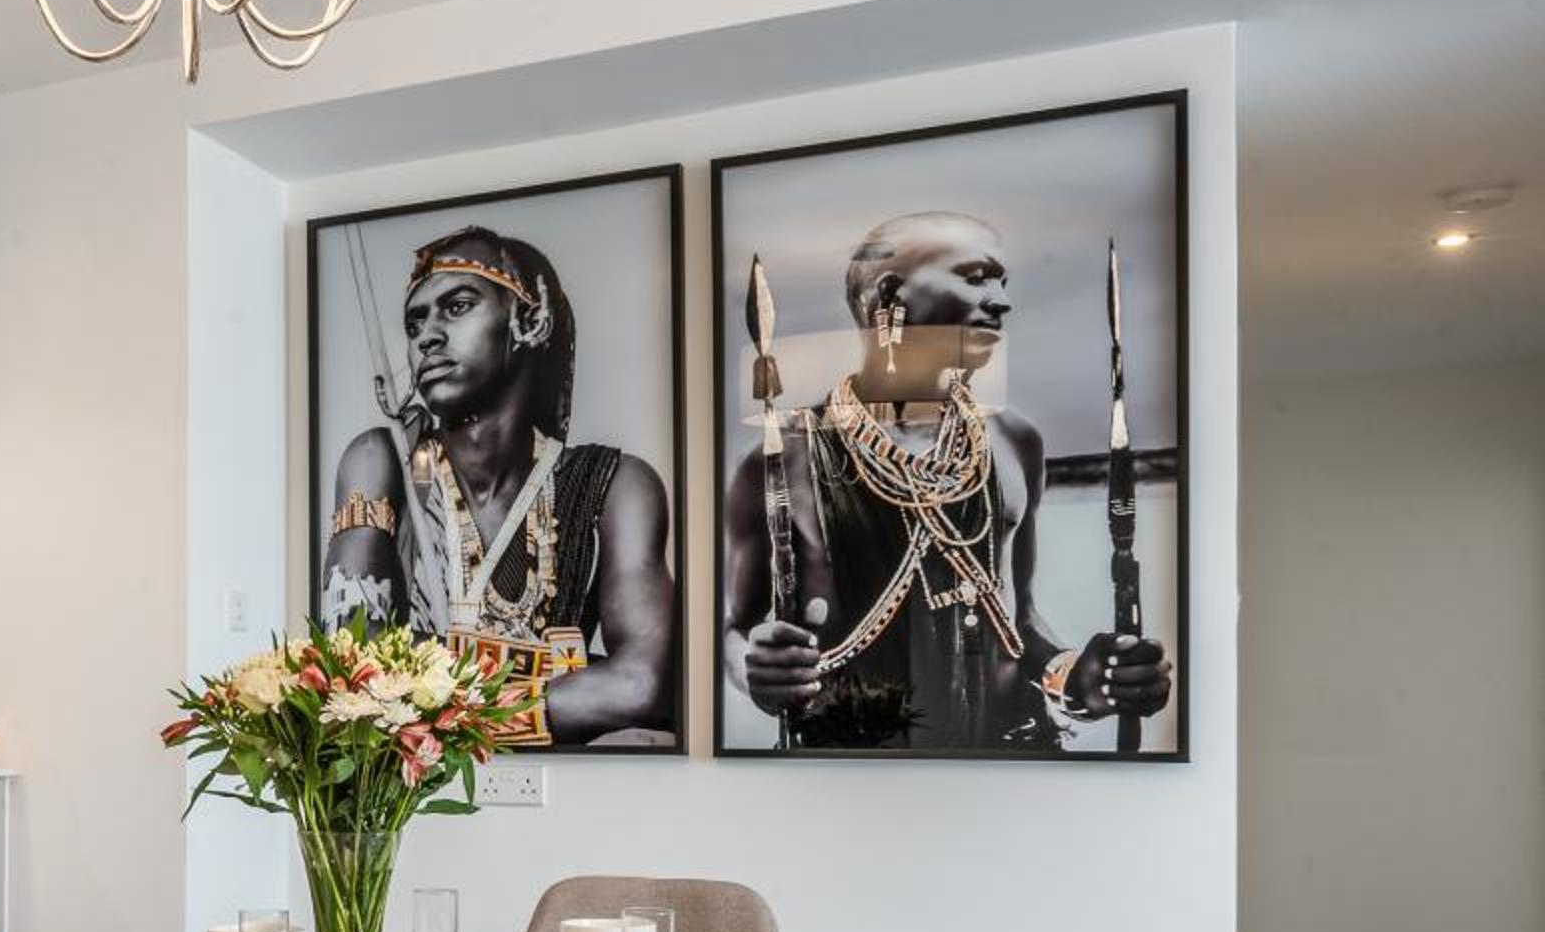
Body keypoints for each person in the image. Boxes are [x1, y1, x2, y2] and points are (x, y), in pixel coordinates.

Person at [721, 210, 1173, 750]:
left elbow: (1016, 621)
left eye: (1003, 282)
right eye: (977, 277)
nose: (1001, 301)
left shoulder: (1013, 440)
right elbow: (736, 630)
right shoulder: (783, 456)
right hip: (848, 766)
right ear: (892, 292)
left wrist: (1080, 679)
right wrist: (757, 670)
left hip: (1008, 756)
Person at [321, 226, 674, 745]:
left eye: (457, 306)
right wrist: (566, 688)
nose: (426, 336)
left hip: (570, 781)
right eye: (415, 323)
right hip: (418, 781)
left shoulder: (617, 484)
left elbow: (644, 685)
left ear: (531, 320)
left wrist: (446, 711)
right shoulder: (383, 463)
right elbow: (352, 666)